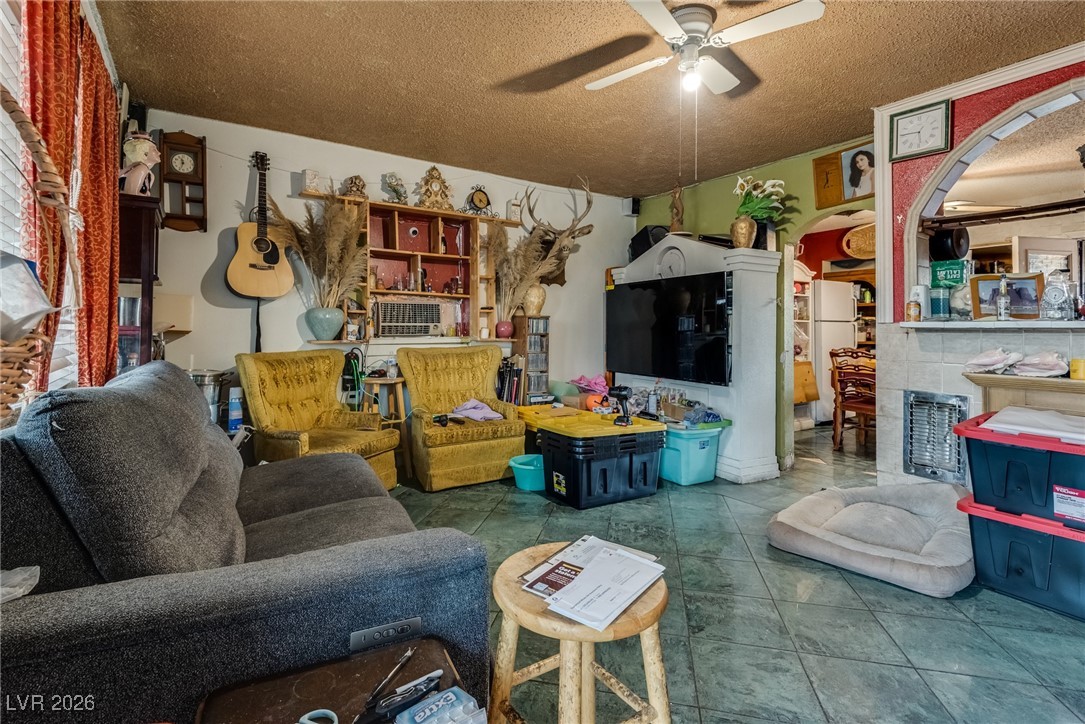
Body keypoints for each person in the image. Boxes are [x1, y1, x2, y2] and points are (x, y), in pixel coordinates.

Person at [119, 132, 160, 196]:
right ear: (144, 152)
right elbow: (132, 197)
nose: (159, 153)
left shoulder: (151, 175)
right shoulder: (141, 169)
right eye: (154, 150)